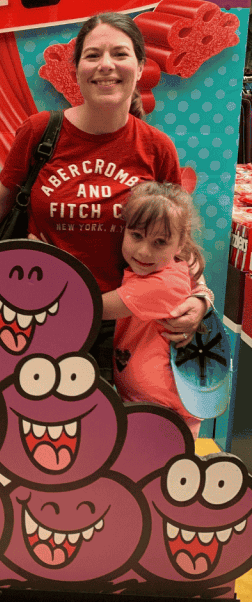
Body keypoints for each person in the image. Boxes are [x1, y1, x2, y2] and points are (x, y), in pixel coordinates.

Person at [0, 12, 211, 379]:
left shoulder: (156, 148)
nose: (106, 65)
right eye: (93, 55)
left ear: (140, 66)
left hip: (119, 326)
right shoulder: (40, 132)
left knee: (104, 429)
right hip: (32, 314)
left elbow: (178, 238)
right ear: (77, 68)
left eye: (120, 54)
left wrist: (200, 298)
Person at [100, 182, 208, 438]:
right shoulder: (162, 271)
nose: (144, 251)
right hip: (146, 403)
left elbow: (92, 308)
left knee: (166, 475)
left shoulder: (162, 285)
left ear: (180, 245)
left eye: (160, 243)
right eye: (136, 236)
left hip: (167, 412)